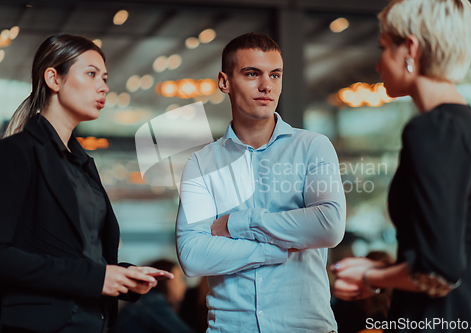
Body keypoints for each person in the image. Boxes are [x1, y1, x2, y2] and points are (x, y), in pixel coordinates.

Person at [332, 1, 471, 332]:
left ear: (410, 47)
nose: (379, 65)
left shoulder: (431, 129)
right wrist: (381, 276)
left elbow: (438, 271)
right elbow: (447, 259)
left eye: (383, 49)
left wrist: (369, 275)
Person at [0, 34, 172, 333]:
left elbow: (83, 256)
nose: (103, 86)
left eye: (104, 77)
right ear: (54, 78)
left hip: (95, 323)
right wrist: (96, 278)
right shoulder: (17, 153)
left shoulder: (82, 165)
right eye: (91, 74)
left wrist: (123, 276)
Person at [175, 33, 346, 332]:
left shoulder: (313, 147)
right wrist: (276, 249)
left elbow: (329, 225)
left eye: (275, 75)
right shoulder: (201, 164)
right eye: (252, 74)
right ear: (224, 82)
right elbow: (192, 255)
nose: (267, 85)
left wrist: (236, 225)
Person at [112, 259, 194, 333]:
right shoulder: (153, 302)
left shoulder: (147, 300)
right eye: (181, 279)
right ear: (165, 280)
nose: (184, 285)